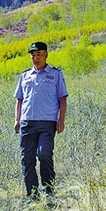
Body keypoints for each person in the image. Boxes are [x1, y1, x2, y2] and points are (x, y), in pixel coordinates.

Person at [14, 42, 68, 199]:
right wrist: (17, 120)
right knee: (27, 159)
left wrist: (61, 120)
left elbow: (62, 99)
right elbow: (19, 99)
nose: (35, 58)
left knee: (44, 154)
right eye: (33, 55)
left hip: (47, 122)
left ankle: (49, 190)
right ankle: (32, 195)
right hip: (27, 123)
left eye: (38, 54)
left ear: (46, 55)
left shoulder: (55, 74)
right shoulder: (25, 76)